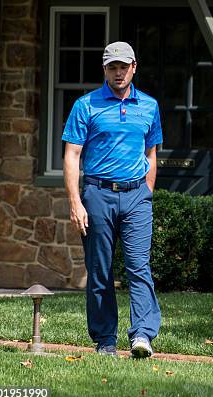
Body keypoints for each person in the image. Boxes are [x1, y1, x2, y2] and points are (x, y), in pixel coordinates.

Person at [63, 41, 162, 358]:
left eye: (124, 66)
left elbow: (151, 153)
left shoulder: (149, 106)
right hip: (97, 195)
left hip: (136, 197)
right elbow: (72, 155)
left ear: (134, 67)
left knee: (139, 267)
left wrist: (146, 191)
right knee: (100, 270)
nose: (118, 73)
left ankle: (142, 335)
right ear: (104, 70)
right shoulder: (86, 105)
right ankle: (105, 340)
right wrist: (75, 201)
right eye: (112, 67)